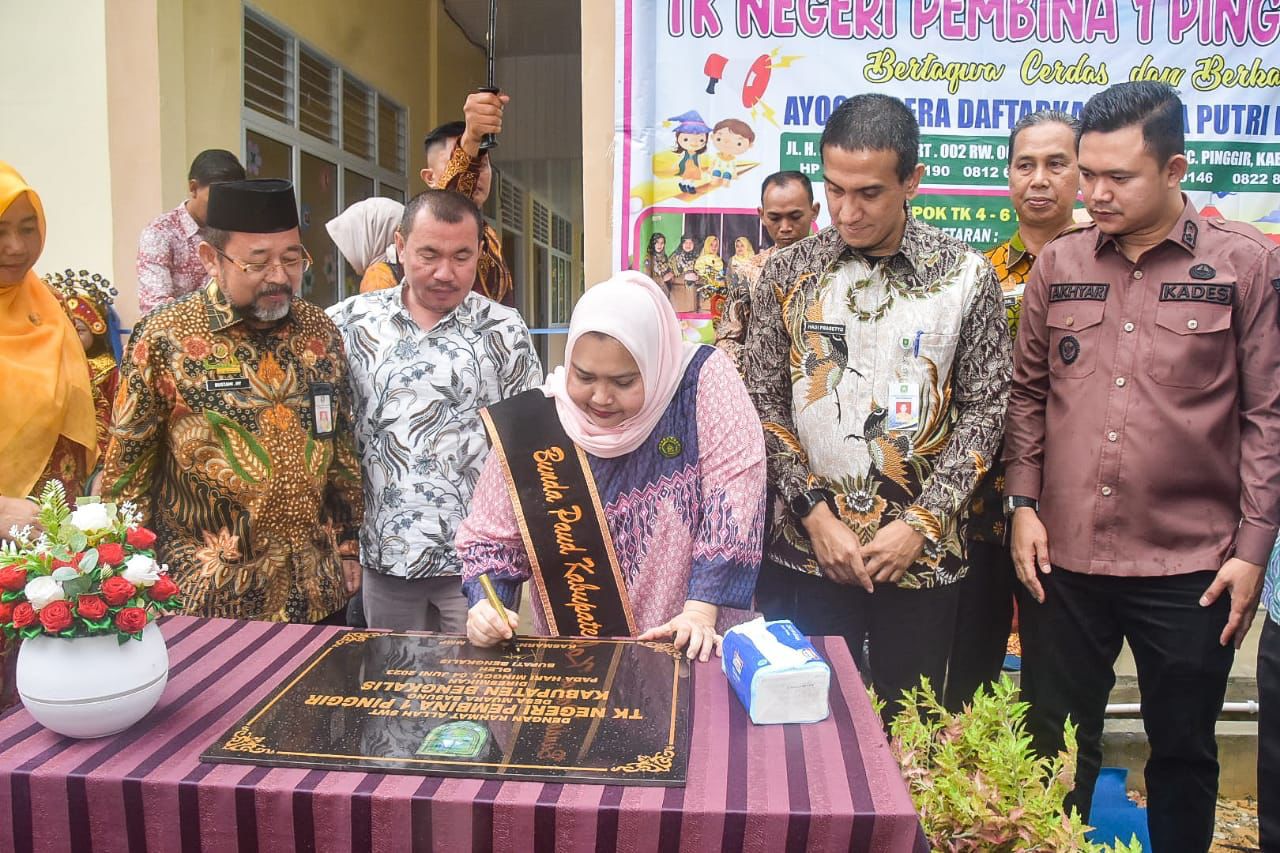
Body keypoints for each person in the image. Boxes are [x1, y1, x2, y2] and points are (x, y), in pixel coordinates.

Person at [1003, 82, 1280, 851]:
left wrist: (1253, 550)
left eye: (1116, 177)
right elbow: (1026, 396)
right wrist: (1022, 504)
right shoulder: (1060, 262)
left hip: (1192, 567)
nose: (1092, 193)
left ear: (1173, 168)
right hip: (1063, 560)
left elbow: (1267, 418)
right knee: (1053, 753)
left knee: (1184, 756)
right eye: (1087, 174)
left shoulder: (1243, 265)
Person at [744, 94, 1011, 723]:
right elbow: (763, 402)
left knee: (913, 735)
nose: (845, 211)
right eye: (834, 190)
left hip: (923, 559)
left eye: (868, 193)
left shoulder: (965, 277)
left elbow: (986, 410)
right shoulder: (784, 274)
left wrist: (919, 524)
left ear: (911, 181)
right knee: (808, 731)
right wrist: (814, 515)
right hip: (809, 553)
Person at [460, 272, 765, 659]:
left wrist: (701, 610)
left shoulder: (699, 382)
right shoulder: (533, 428)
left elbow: (737, 494)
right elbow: (491, 541)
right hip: (579, 660)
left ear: (655, 365)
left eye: (623, 382)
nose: (601, 398)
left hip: (689, 643)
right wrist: (490, 607)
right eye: (584, 376)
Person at [103, 179, 364, 624]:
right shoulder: (166, 338)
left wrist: (347, 546)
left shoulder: (319, 332)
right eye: (257, 263)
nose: (279, 277)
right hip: (204, 598)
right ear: (211, 260)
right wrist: (123, 572)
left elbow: (338, 445)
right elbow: (127, 469)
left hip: (316, 591)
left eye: (291, 258)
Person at [329, 189, 541, 632]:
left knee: (477, 693)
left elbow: (530, 445)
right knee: (392, 689)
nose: (445, 273)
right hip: (386, 557)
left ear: (480, 252)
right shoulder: (350, 323)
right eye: (429, 254)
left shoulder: (504, 330)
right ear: (400, 247)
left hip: (480, 569)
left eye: (461, 256)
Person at [944, 110, 1080, 711]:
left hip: (1067, 509)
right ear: (1007, 177)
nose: (1040, 179)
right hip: (978, 506)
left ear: (1083, 174)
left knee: (1058, 687)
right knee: (965, 671)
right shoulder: (978, 274)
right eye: (1026, 165)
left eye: (1057, 163)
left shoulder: (1101, 269)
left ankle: (1051, 799)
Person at [0, 163, 99, 527]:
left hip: (57, 544)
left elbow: (90, 404)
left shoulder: (50, 307)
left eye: (29, 229)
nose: (17, 247)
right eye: (0, 231)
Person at [716, 171, 820, 373]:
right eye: (775, 218)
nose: (785, 227)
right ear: (761, 215)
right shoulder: (747, 271)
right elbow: (727, 339)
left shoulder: (834, 268)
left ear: (814, 211)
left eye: (795, 216)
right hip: (764, 393)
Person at [414, 93, 513, 305]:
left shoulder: (489, 237)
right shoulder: (418, 231)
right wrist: (471, 138)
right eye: (467, 161)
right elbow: (454, 203)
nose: (476, 172)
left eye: (482, 163)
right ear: (429, 177)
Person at [136, 149, 246, 314]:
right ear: (193, 188)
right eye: (217, 200)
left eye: (232, 200)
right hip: (179, 331)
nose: (225, 208)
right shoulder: (160, 233)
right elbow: (155, 308)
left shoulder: (236, 230)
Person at [46, 269, 124, 490]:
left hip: (88, 446)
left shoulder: (106, 368)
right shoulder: (49, 366)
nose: (71, 337)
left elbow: (112, 410)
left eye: (78, 330)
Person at [325, 197, 405, 294]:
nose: (345, 257)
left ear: (371, 235)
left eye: (355, 238)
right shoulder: (408, 271)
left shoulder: (377, 278)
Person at [694, 234, 727, 316]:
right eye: (711, 245)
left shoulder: (720, 261)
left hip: (719, 298)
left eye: (716, 245)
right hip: (705, 298)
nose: (714, 247)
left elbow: (723, 278)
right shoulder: (700, 261)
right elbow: (699, 278)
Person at [668, 234, 702, 313]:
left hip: (693, 299)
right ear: (682, 244)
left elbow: (704, 278)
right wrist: (684, 277)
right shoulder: (674, 258)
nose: (688, 245)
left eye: (691, 243)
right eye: (686, 242)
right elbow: (667, 278)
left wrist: (697, 278)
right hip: (678, 298)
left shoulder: (699, 258)